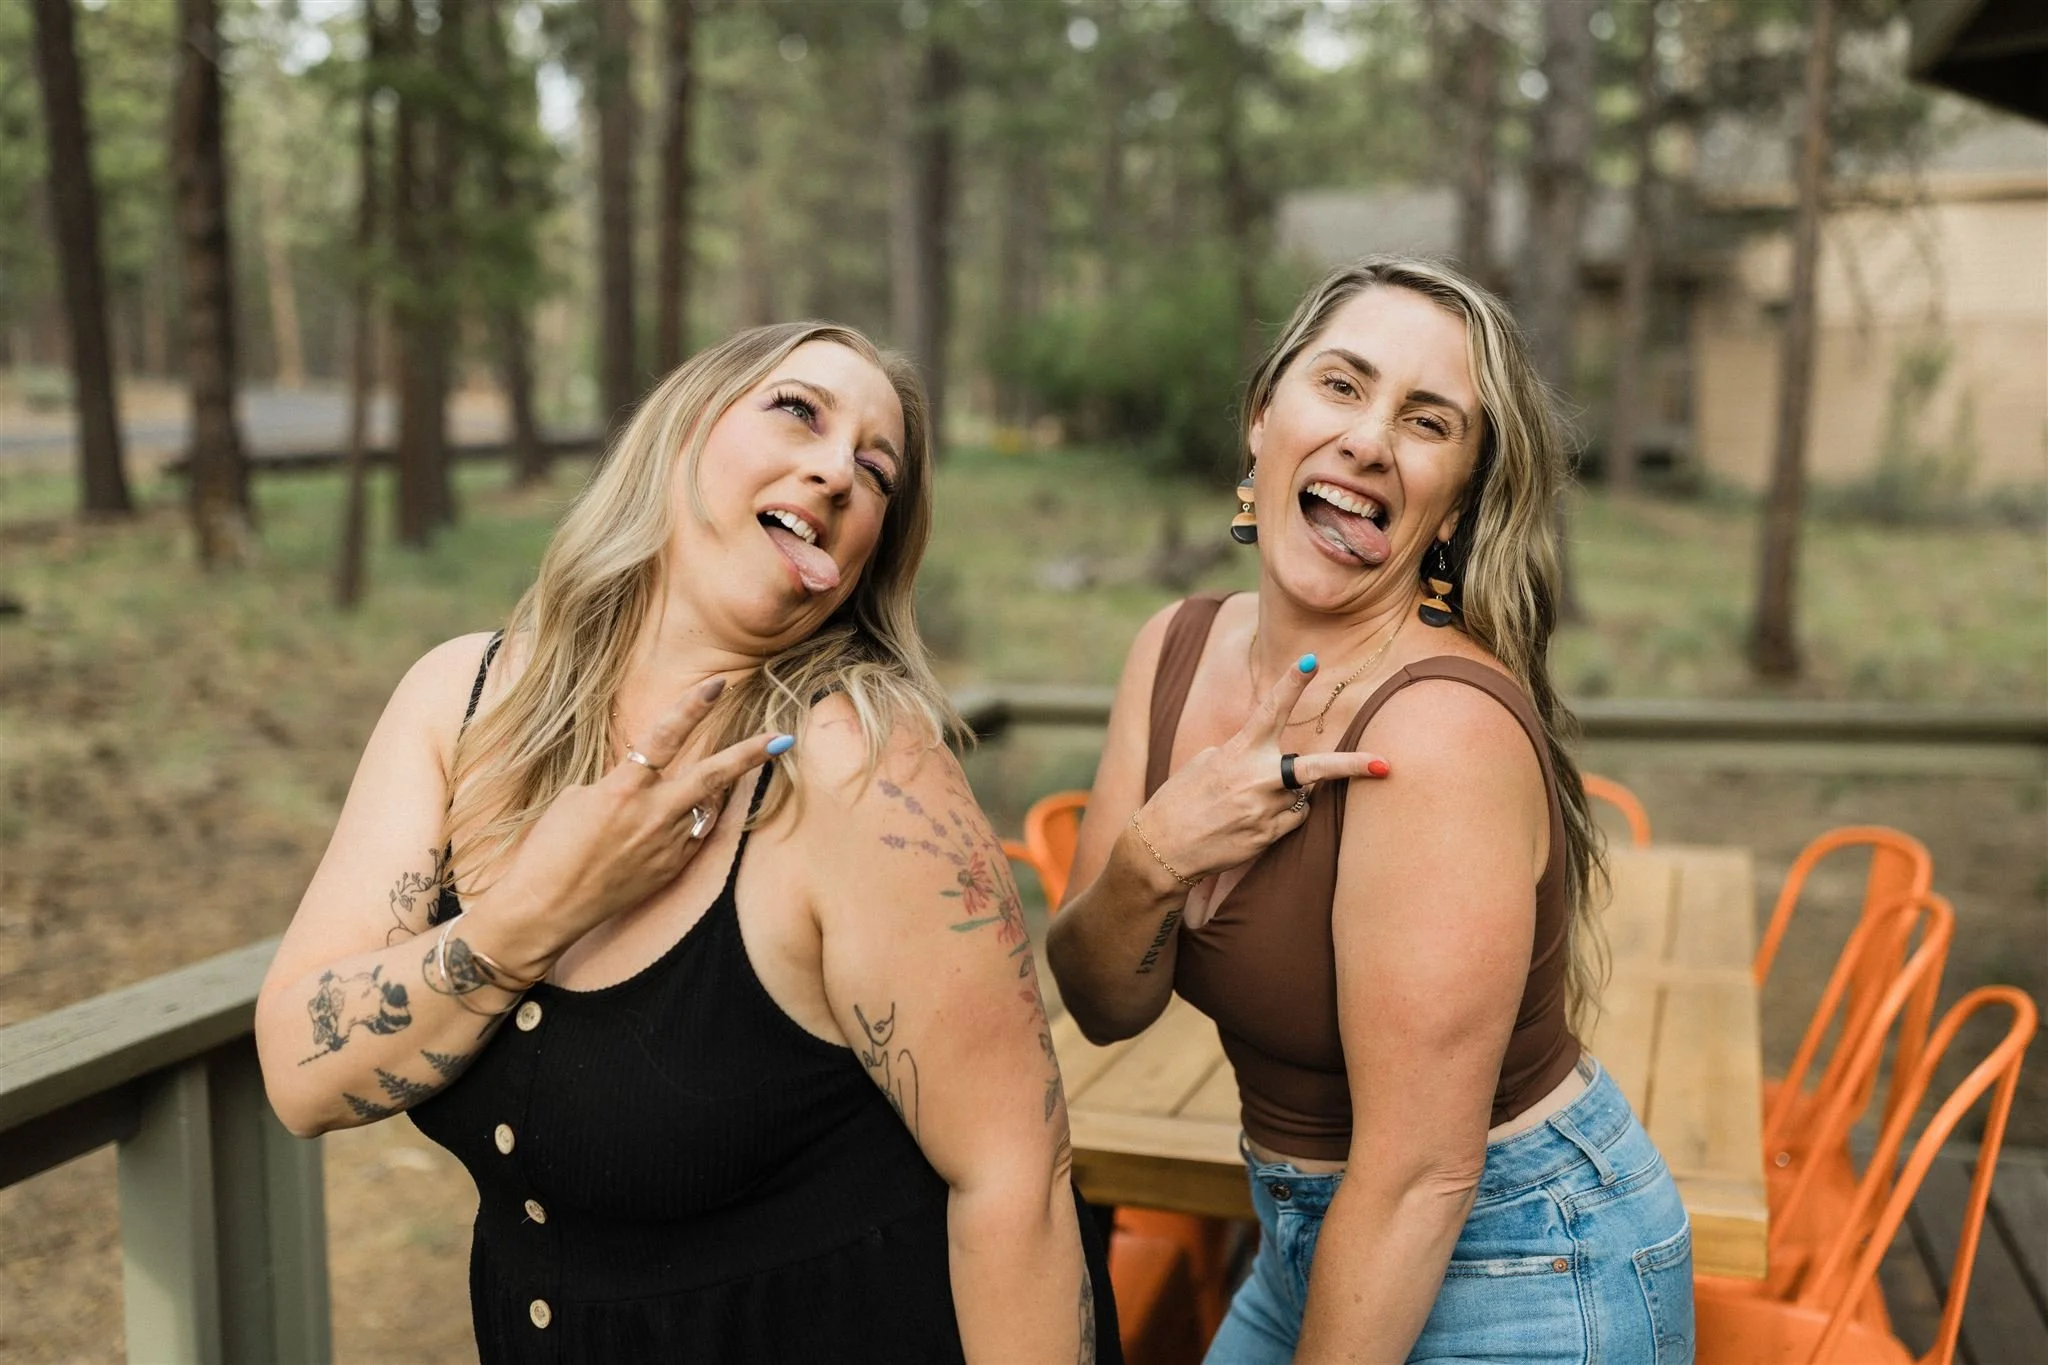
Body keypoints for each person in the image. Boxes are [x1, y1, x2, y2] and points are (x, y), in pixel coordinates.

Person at [256, 322, 1115, 1364]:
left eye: (876, 471)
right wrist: (536, 911)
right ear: (679, 433)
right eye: (797, 410)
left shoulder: (863, 773)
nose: (837, 471)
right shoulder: (459, 704)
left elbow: (1015, 1186)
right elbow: (299, 1075)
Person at [1046, 258, 1694, 1365]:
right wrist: (1157, 854)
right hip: (1307, 1239)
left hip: (1523, 1259)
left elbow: (1419, 1172)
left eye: (1426, 421)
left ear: (1456, 507)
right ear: (1262, 418)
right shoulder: (1171, 648)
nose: (1368, 441)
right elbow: (1104, 1004)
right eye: (1341, 385)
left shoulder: (1435, 732)